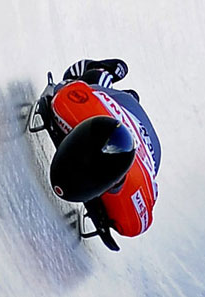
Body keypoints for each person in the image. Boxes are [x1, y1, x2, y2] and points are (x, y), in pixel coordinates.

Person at [44, 58, 161, 250]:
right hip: (113, 111)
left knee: (95, 84)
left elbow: (147, 200)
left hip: (150, 150)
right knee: (86, 83)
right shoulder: (69, 103)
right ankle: (106, 76)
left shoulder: (133, 220)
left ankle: (110, 81)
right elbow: (66, 88)